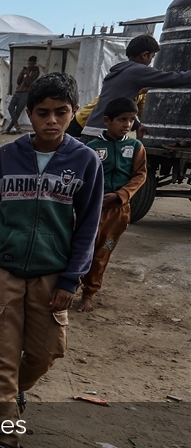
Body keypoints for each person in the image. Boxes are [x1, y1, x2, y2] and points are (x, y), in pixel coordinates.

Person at [0, 73, 103, 448]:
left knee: (45, 352)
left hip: (51, 275)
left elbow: (88, 224)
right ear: (29, 114)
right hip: (1, 271)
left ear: (73, 114)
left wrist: (70, 279)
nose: (52, 121)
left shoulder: (85, 161)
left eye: (61, 112)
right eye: (43, 113)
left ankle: (16, 392)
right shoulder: (6, 158)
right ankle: (6, 438)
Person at [78, 97, 147, 312]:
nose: (127, 124)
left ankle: (88, 293)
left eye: (131, 120)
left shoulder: (135, 146)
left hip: (118, 213)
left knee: (102, 254)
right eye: (122, 119)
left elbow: (140, 175)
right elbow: (83, 177)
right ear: (107, 121)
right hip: (92, 210)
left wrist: (121, 195)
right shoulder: (92, 148)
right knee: (81, 250)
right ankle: (68, 287)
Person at [83, 34, 191, 139]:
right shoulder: (139, 70)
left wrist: (137, 126)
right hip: (106, 134)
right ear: (144, 55)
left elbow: (119, 103)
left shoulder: (118, 71)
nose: (150, 62)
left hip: (91, 128)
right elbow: (173, 79)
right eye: (152, 57)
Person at [5, 56, 39, 134]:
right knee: (10, 108)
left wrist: (27, 75)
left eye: (31, 64)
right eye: (28, 64)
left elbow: (29, 83)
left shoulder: (36, 72)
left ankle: (9, 128)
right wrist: (21, 74)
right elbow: (18, 82)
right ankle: (15, 124)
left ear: (34, 63)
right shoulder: (26, 70)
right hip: (18, 92)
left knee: (18, 111)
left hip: (25, 93)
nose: (29, 65)